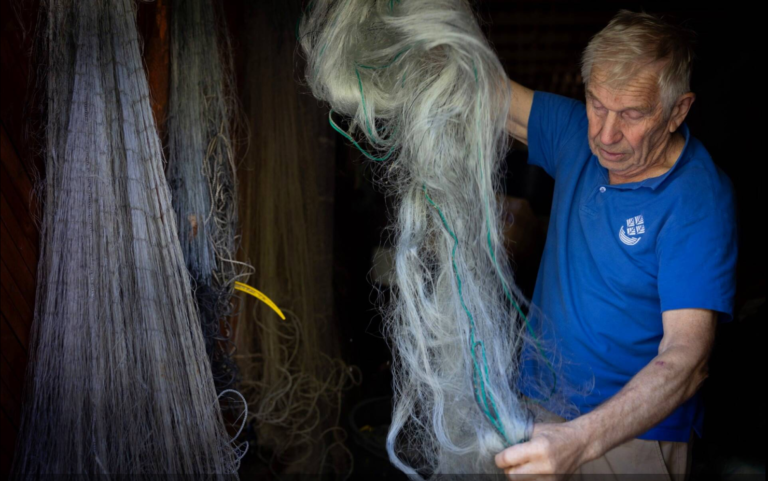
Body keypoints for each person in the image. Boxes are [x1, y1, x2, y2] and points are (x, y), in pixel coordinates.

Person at [494, 10, 738, 479]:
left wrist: (580, 440)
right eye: (596, 104)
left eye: (631, 114)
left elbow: (687, 359)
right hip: (538, 410)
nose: (605, 136)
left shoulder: (697, 200)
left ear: (678, 111)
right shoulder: (575, 136)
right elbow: (488, 94)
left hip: (630, 439)